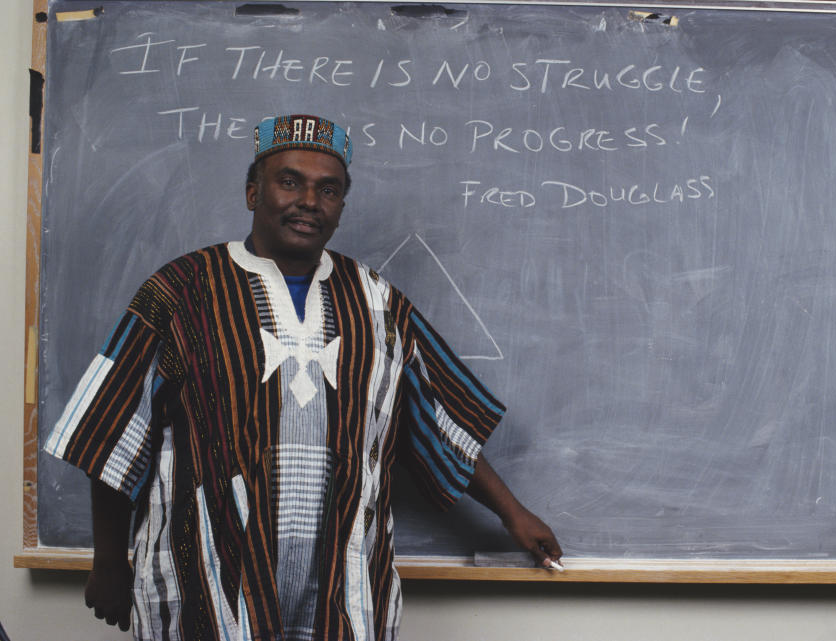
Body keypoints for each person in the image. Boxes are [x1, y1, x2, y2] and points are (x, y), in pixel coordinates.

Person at [44, 114, 562, 641]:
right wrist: (108, 562)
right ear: (253, 192)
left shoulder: (379, 304)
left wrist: (512, 514)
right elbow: (110, 432)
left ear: (340, 207)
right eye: (290, 181)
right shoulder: (180, 292)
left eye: (328, 190)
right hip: (207, 586)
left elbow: (435, 426)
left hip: (343, 586)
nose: (309, 201)